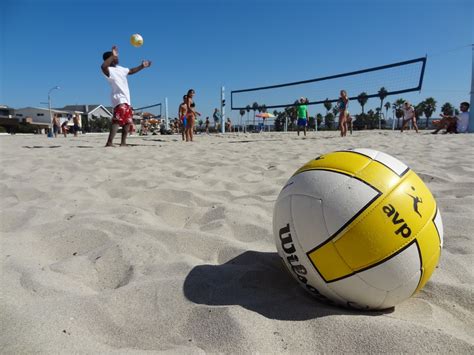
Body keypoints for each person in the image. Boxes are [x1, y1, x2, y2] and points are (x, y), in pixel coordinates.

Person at [101, 45, 151, 147]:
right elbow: (103, 66)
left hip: (127, 100)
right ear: (110, 59)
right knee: (117, 121)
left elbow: (131, 71)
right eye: (115, 57)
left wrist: (142, 66)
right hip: (119, 99)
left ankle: (123, 143)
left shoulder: (120, 69)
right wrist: (112, 56)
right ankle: (109, 142)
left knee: (128, 122)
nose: (117, 58)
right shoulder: (108, 70)